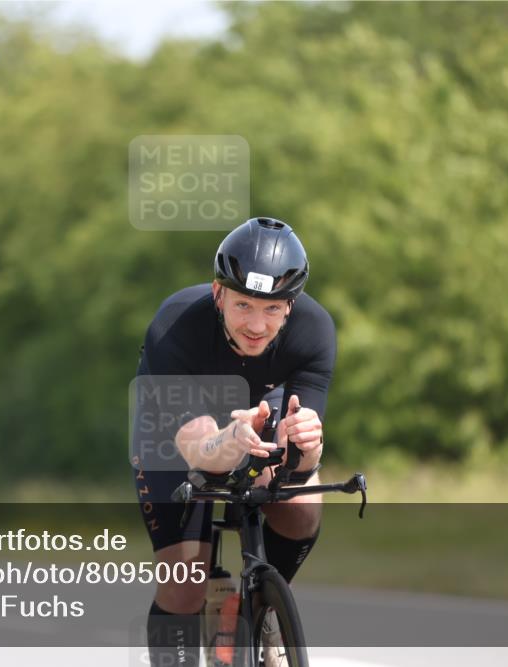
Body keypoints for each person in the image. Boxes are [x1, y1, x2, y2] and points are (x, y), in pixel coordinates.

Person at [132, 217, 335, 667]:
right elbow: (199, 451)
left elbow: (304, 459)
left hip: (258, 412)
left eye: (272, 309)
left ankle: (264, 611)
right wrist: (231, 439)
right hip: (175, 432)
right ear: (218, 293)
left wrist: (306, 443)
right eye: (244, 305)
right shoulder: (175, 325)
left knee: (301, 508)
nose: (257, 325)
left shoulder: (314, 330)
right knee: (185, 583)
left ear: (291, 306)